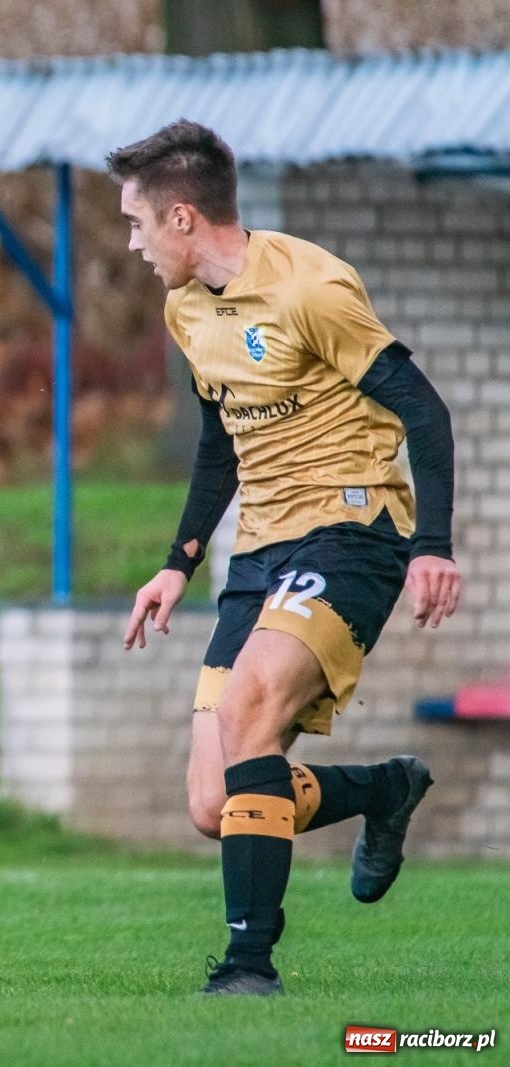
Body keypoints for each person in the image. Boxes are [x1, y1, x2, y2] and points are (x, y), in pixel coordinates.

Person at [110, 121, 462, 995]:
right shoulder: (186, 308)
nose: (133, 242)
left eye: (137, 223)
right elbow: (218, 448)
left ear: (182, 218)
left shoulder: (314, 286)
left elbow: (428, 413)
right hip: (261, 549)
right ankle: (382, 788)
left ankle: (247, 964)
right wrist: (174, 564)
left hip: (352, 532)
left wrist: (434, 548)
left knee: (247, 712)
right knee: (211, 804)